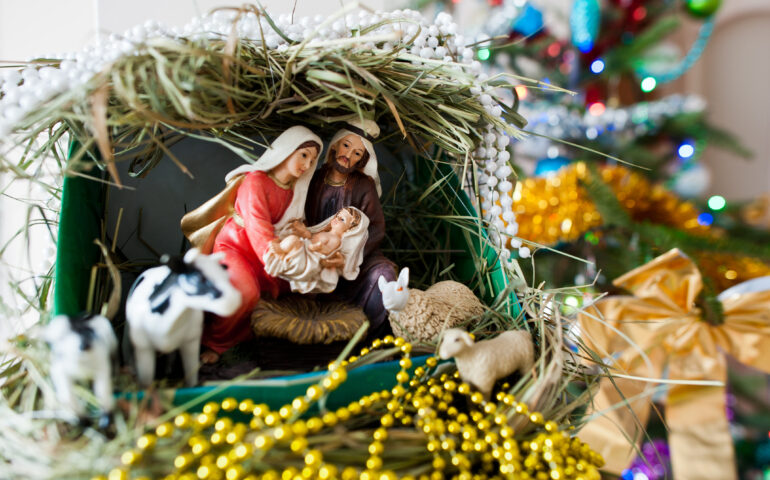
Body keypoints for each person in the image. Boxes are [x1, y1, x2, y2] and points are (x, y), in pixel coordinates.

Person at [185, 126, 323, 363]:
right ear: (287, 149)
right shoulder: (255, 181)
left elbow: (290, 226)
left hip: (265, 251)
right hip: (235, 246)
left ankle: (252, 338)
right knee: (246, 292)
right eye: (303, 155)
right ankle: (215, 342)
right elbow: (258, 225)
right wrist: (273, 256)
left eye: (312, 160)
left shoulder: (292, 192)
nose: (307, 164)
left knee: (294, 288)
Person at [301, 119, 397, 339]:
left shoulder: (364, 185)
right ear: (335, 145)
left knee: (383, 275)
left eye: (357, 153)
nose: (348, 155)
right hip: (316, 248)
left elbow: (376, 228)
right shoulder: (314, 179)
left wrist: (348, 257)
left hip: (356, 257)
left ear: (362, 160)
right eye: (346, 146)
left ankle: (369, 337)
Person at [264, 206, 370, 294]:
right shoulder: (326, 232)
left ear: (350, 229)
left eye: (342, 220)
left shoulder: (336, 240)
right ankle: (282, 250)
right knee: (292, 238)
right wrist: (303, 231)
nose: (336, 219)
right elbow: (310, 236)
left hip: (310, 256)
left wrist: (318, 247)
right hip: (306, 247)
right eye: (338, 216)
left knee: (293, 240)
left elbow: (327, 251)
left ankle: (281, 250)